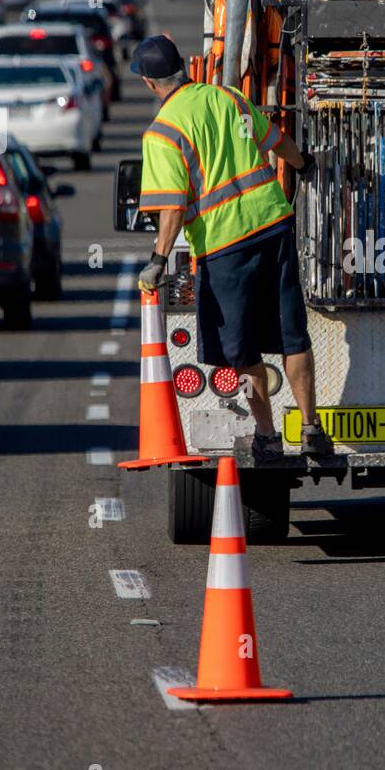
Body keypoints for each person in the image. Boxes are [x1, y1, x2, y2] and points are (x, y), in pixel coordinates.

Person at [131, 34, 333, 463]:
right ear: (183, 68)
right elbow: (277, 141)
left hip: (226, 246)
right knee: (292, 335)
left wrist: (158, 260)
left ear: (149, 83)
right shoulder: (229, 98)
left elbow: (170, 207)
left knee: (241, 350)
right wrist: (305, 165)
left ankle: (267, 436)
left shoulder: (163, 132)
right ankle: (312, 429)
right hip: (274, 225)